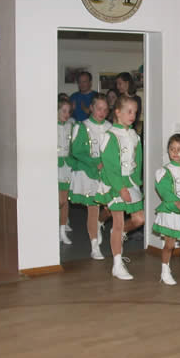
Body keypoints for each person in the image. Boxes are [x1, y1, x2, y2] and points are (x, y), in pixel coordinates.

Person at [99, 95, 145, 280]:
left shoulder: (134, 136)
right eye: (129, 111)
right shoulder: (109, 136)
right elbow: (110, 167)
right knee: (118, 222)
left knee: (139, 219)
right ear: (118, 112)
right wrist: (120, 188)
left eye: (135, 112)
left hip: (130, 182)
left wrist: (136, 183)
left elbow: (137, 161)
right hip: (114, 182)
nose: (133, 115)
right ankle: (117, 265)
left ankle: (117, 233)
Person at [68, 94, 112, 257]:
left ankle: (99, 222)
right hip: (88, 173)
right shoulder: (82, 126)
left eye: (105, 109)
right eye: (99, 108)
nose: (102, 112)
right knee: (93, 209)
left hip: (106, 173)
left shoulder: (110, 127)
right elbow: (77, 151)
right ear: (91, 108)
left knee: (110, 206)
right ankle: (94, 247)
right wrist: (94, 162)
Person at [153, 133, 180, 288]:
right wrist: (177, 203)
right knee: (170, 245)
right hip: (171, 212)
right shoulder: (165, 172)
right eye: (172, 149)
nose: (175, 152)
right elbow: (165, 191)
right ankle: (165, 271)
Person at [57, 97, 75, 245]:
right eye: (63, 111)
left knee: (65, 200)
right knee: (58, 200)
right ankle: (53, 226)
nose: (66, 114)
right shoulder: (50, 126)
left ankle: (62, 230)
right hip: (55, 167)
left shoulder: (71, 126)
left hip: (67, 167)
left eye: (68, 112)